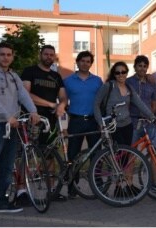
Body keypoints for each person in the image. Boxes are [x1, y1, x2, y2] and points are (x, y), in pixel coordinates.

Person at [0, 42, 39, 218]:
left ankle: (2, 202)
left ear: (13, 56)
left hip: (13, 126)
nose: (5, 57)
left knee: (6, 168)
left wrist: (33, 110)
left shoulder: (13, 75)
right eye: (2, 54)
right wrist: (7, 116)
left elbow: (23, 95)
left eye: (9, 55)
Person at [93, 62, 156, 197]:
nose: (121, 75)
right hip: (113, 126)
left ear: (127, 73)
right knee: (118, 158)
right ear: (114, 74)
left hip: (127, 125)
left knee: (127, 157)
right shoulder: (108, 86)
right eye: (118, 72)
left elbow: (139, 103)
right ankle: (118, 188)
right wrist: (101, 123)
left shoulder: (128, 87)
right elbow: (96, 104)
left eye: (123, 72)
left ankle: (127, 186)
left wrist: (152, 116)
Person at [20, 44, 68, 202]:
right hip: (31, 117)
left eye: (51, 55)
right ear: (40, 55)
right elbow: (25, 94)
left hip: (51, 120)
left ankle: (51, 190)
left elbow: (63, 96)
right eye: (46, 54)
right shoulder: (29, 71)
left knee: (49, 155)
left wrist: (61, 104)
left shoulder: (56, 76)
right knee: (27, 154)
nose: (49, 57)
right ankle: (22, 192)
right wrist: (50, 104)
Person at [63, 51, 103, 198]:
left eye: (88, 61)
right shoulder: (68, 81)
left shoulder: (98, 81)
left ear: (91, 64)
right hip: (76, 121)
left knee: (97, 155)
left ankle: (98, 186)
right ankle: (72, 187)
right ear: (77, 62)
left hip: (93, 121)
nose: (85, 63)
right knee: (73, 155)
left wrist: (101, 121)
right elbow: (63, 101)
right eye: (83, 61)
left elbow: (102, 102)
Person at [126, 55, 156, 148]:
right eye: (140, 66)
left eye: (145, 66)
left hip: (148, 122)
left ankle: (146, 163)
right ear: (135, 67)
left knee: (155, 149)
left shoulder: (152, 83)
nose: (142, 68)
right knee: (131, 150)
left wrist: (150, 116)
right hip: (133, 122)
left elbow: (154, 103)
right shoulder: (128, 82)